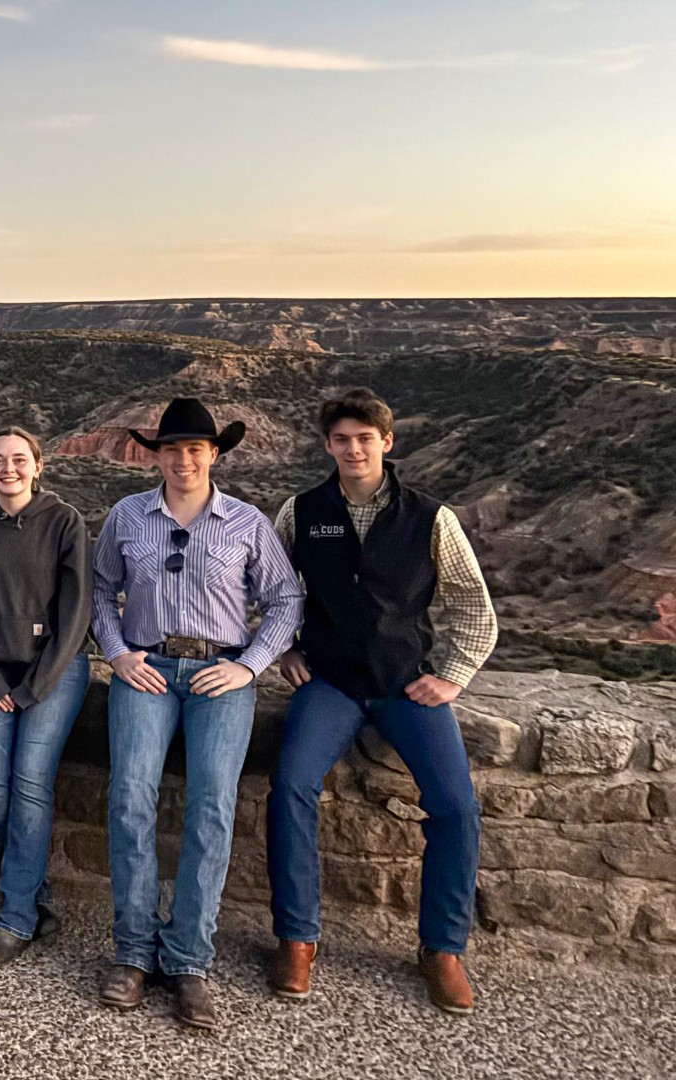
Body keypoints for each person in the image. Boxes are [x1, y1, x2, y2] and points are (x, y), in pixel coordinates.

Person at [266, 389, 497, 1016]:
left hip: (405, 684)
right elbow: (276, 589)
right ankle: (297, 937)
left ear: (387, 443)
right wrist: (285, 647)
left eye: (365, 438)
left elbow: (475, 608)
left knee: (455, 807)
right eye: (341, 439)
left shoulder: (430, 518)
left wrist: (451, 675)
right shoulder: (301, 511)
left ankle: (442, 949)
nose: (353, 448)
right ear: (327, 446)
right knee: (290, 786)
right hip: (331, 682)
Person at [90, 397, 302, 1030]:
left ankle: (188, 960)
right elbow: (101, 591)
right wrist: (119, 653)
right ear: (155, 455)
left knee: (211, 805)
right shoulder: (127, 516)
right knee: (130, 798)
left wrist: (250, 664)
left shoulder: (246, 522)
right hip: (146, 670)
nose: (183, 459)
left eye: (195, 449)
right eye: (171, 449)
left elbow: (286, 599)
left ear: (214, 454)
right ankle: (133, 951)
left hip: (221, 674)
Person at [0, 427, 93, 967]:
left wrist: (35, 686)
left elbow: (76, 614)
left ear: (38, 466)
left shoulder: (64, 522)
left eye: (18, 460)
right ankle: (32, 892)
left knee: (29, 782)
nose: (8, 468)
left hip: (54, 673)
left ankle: (13, 916)